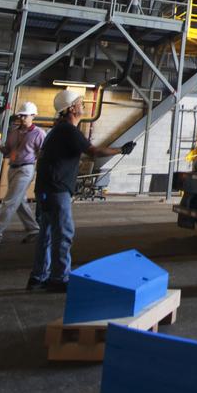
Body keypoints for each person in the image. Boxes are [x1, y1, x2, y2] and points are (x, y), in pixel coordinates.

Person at [27, 88, 135, 293]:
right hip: (57, 190)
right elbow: (93, 152)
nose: (83, 105)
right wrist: (122, 149)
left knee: (47, 234)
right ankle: (59, 278)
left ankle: (38, 277)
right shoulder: (68, 130)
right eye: (79, 102)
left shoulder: (57, 130)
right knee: (64, 233)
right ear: (70, 109)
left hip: (46, 189)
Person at [0, 102, 46, 247]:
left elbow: (44, 153)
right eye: (21, 115)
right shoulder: (14, 132)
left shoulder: (39, 133)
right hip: (13, 168)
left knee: (9, 201)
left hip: (26, 170)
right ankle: (34, 229)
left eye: (25, 116)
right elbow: (7, 152)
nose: (22, 118)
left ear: (33, 116)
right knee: (19, 202)